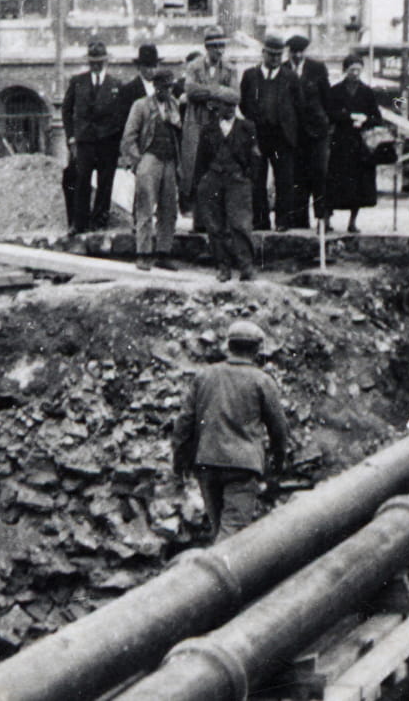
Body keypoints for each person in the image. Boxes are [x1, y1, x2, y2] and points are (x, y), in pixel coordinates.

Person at [172, 319, 290, 542]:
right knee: (232, 538)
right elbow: (279, 430)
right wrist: (278, 464)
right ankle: (205, 576)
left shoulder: (204, 376)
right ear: (257, 349)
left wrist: (179, 460)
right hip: (242, 468)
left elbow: (184, 423)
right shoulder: (262, 381)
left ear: (229, 345)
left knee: (220, 530)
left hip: (207, 463)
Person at [194, 85, 258, 281]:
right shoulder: (208, 129)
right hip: (213, 179)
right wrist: (201, 183)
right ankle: (223, 267)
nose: (229, 109)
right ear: (217, 106)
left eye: (233, 105)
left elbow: (255, 157)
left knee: (240, 224)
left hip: (237, 180)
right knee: (215, 226)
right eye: (226, 105)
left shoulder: (247, 127)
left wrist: (248, 178)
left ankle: (246, 266)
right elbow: (201, 160)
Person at [120, 70, 182, 271]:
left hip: (170, 160)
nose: (168, 90)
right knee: (145, 206)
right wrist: (139, 161)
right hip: (150, 158)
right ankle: (143, 253)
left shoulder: (175, 106)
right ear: (156, 87)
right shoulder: (141, 106)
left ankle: (164, 252)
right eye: (165, 87)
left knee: (169, 208)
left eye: (170, 86)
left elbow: (180, 134)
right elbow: (129, 137)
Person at [240, 34, 302, 232]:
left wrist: (291, 129)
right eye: (271, 54)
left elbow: (299, 106)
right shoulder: (250, 75)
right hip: (258, 135)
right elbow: (244, 103)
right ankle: (260, 221)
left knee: (284, 179)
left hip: (281, 137)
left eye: (278, 55)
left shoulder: (290, 77)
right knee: (257, 179)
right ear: (263, 53)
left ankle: (283, 221)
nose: (275, 59)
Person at [62, 40, 126, 234]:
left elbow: (121, 114)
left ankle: (100, 220)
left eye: (99, 61)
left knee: (106, 181)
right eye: (92, 61)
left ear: (105, 61)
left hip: (108, 141)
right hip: (85, 140)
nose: (96, 65)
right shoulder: (77, 82)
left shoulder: (116, 84)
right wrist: (71, 136)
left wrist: (118, 141)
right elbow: (66, 110)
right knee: (82, 180)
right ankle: (79, 223)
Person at [181, 27, 239, 224]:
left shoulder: (230, 68)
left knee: (220, 171)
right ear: (207, 47)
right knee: (199, 173)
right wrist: (218, 91)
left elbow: (234, 95)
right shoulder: (194, 67)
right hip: (198, 126)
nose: (219, 51)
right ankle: (199, 221)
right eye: (215, 47)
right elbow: (190, 90)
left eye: (222, 46)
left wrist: (207, 93)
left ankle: (219, 221)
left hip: (220, 127)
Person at [323, 55, 383, 233]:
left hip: (360, 145)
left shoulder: (367, 92)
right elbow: (329, 113)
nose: (355, 73)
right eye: (351, 70)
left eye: (358, 70)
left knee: (358, 185)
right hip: (340, 143)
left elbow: (377, 117)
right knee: (334, 182)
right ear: (345, 71)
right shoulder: (335, 91)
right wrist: (347, 117)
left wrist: (365, 120)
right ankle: (326, 220)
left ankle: (352, 221)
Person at [284, 34, 333, 230]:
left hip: (317, 132)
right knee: (297, 177)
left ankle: (323, 218)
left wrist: (327, 123)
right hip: (294, 133)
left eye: (300, 51)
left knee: (320, 174)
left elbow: (327, 98)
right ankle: (300, 220)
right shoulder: (284, 70)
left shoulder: (317, 68)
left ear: (305, 51)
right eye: (293, 51)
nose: (297, 55)